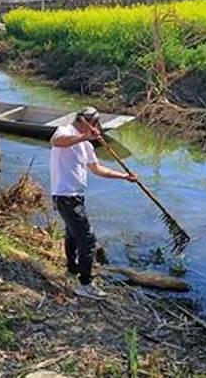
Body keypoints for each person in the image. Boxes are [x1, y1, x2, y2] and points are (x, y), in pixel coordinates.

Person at [49, 106, 137, 299]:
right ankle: (85, 284)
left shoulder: (87, 146)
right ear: (84, 121)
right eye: (94, 123)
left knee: (72, 235)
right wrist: (83, 137)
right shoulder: (66, 131)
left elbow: (97, 169)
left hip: (76, 196)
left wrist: (124, 176)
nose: (96, 127)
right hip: (65, 196)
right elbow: (56, 142)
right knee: (88, 241)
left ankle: (71, 270)